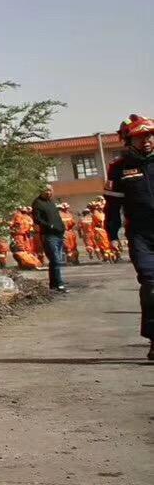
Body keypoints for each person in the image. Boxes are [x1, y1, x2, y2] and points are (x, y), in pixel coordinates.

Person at [104, 114, 154, 361]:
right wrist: (112, 234)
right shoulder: (118, 169)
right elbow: (112, 207)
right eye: (140, 136)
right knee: (151, 285)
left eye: (150, 135)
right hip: (141, 235)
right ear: (128, 140)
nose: (147, 140)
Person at [31, 185, 68, 293]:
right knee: (55, 259)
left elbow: (56, 218)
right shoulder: (37, 203)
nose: (48, 192)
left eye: (50, 190)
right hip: (49, 235)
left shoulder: (51, 202)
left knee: (55, 260)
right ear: (41, 191)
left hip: (59, 234)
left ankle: (53, 284)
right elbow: (37, 219)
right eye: (46, 190)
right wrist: (50, 226)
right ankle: (60, 284)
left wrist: (62, 228)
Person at [59, 201, 80, 265]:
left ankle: (71, 261)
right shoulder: (69, 214)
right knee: (73, 247)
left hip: (64, 233)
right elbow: (73, 223)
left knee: (68, 248)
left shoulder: (58, 215)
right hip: (70, 232)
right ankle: (75, 260)